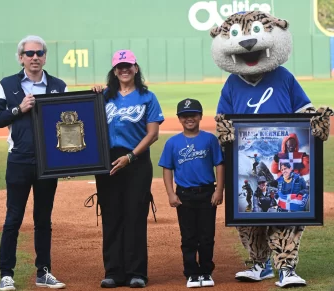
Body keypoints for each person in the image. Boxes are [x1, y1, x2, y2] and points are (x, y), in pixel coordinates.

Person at [209, 11, 333, 288]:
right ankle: (260, 264)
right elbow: (223, 122)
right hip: (247, 164)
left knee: (287, 213)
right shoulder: (231, 83)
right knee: (248, 214)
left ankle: (286, 268)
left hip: (284, 162)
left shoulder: (284, 77)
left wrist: (317, 120)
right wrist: (226, 134)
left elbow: (304, 112)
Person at [0, 35, 67, 291]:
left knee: (44, 219)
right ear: (21, 57)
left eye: (39, 52)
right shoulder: (7, 85)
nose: (35, 57)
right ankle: (6, 274)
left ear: (45, 56)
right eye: (29, 53)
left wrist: (69, 160)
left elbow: (68, 126)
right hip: (20, 160)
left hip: (48, 163)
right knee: (13, 218)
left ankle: (43, 272)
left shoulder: (58, 85)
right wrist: (17, 109)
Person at [92, 49, 164, 288]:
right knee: (111, 215)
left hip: (136, 161)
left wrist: (130, 157)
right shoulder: (103, 97)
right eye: (120, 66)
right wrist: (91, 96)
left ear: (135, 68)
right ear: (114, 70)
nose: (124, 70)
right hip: (108, 161)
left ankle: (137, 273)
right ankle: (113, 272)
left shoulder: (147, 97)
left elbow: (152, 134)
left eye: (128, 66)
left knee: (135, 216)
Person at [158, 98, 224, 288]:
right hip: (185, 194)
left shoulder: (210, 139)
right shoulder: (173, 143)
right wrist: (171, 193)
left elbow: (219, 164)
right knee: (188, 236)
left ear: (200, 116)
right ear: (179, 118)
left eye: (193, 115)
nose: (189, 119)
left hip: (206, 193)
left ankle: (205, 270)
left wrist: (219, 189)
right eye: (185, 116)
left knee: (206, 235)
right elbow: (167, 168)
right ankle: (191, 272)